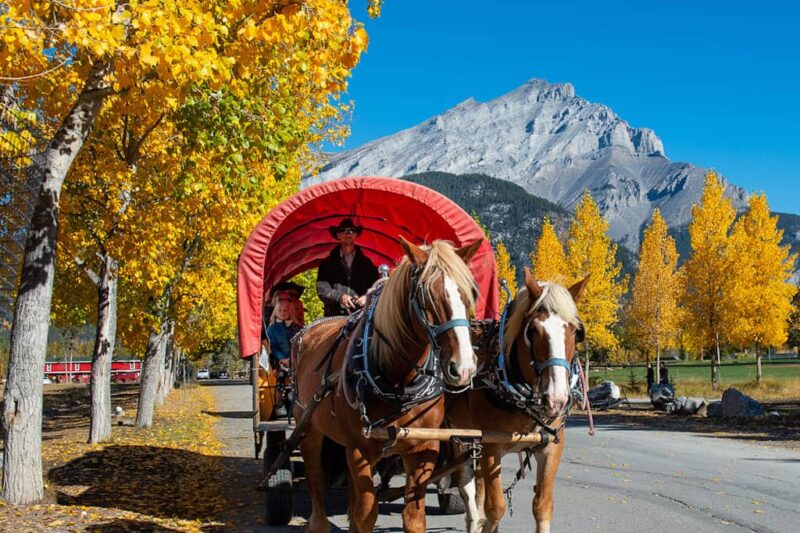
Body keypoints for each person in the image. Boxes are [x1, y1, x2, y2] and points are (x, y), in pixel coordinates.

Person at [316, 217, 379, 316]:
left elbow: (376, 287)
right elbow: (322, 290)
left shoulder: (366, 264)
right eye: (343, 230)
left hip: (361, 315)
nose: (348, 233)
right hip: (334, 316)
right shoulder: (327, 264)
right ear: (338, 235)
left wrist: (366, 297)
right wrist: (340, 297)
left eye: (352, 231)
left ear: (356, 235)